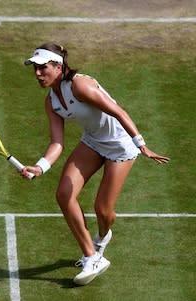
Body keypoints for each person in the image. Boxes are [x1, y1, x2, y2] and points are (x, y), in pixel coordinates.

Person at [21, 42, 170, 286]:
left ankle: (102, 236)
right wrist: (40, 167)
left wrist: (141, 144)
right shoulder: (51, 102)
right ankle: (92, 256)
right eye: (34, 69)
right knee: (63, 194)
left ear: (58, 66)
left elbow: (118, 111)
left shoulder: (81, 84)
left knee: (103, 210)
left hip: (120, 144)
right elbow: (57, 142)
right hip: (92, 141)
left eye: (42, 67)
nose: (37, 74)